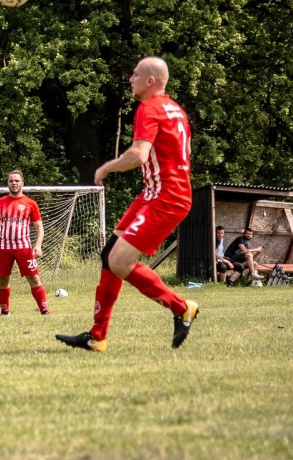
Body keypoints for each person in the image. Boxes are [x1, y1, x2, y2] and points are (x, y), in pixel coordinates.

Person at [56, 56, 199, 352]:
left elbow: (138, 155)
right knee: (109, 254)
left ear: (150, 81)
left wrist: (106, 167)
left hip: (166, 197)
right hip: (157, 194)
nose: (130, 79)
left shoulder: (149, 107)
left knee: (120, 262)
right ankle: (97, 336)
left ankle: (181, 307)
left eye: (135, 75)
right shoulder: (176, 109)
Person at [0, 169, 50, 316]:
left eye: (17, 181)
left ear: (22, 183)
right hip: (2, 248)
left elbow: (39, 227)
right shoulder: (0, 202)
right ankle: (4, 312)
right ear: (8, 183)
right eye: (11, 181)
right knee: (2, 279)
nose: (14, 183)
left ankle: (45, 311)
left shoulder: (30, 203)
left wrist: (38, 245)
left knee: (33, 278)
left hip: (23, 248)